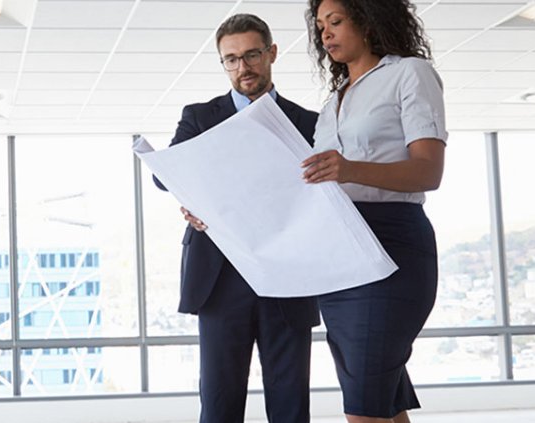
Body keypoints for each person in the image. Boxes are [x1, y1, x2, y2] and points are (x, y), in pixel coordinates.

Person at [154, 13, 320, 423]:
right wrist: (194, 200)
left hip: (288, 276)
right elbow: (168, 175)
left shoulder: (309, 123)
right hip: (219, 276)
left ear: (272, 54)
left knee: (290, 397)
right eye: (231, 59)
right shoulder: (198, 116)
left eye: (251, 55)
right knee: (220, 396)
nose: (242, 67)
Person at [302, 0, 447, 422]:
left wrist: (349, 169)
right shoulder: (333, 103)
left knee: (364, 405)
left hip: (392, 248)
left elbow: (428, 171)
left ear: (367, 21)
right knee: (384, 401)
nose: (325, 33)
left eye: (336, 22)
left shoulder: (409, 74)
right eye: (320, 26)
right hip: (339, 256)